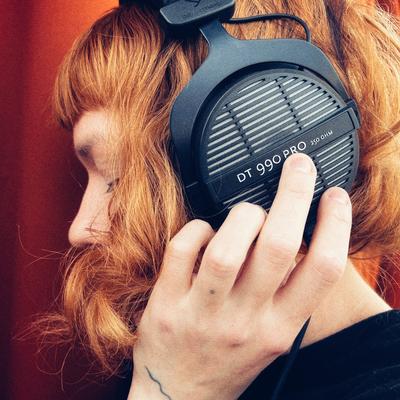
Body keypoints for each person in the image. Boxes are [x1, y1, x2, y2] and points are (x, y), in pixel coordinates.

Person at [42, 1, 400, 399]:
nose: (81, 229)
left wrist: (175, 389)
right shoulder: (175, 347)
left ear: (255, 158)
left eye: (116, 181)